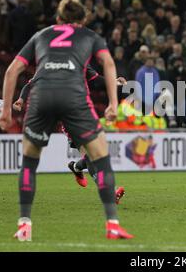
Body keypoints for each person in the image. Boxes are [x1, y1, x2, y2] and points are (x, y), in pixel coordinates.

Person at [0, 0, 133, 241]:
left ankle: (24, 225)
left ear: (58, 19)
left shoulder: (42, 37)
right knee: (100, 156)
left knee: (29, 162)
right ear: (82, 20)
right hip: (73, 101)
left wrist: (8, 110)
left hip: (42, 102)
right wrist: (113, 103)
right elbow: (109, 66)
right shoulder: (88, 38)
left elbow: (13, 71)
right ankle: (112, 224)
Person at [13, 66, 127, 204]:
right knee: (91, 155)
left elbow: (98, 80)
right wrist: (21, 99)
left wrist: (114, 82)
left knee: (98, 152)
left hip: (84, 115)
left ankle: (76, 167)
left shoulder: (80, 63)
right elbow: (30, 85)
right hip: (67, 119)